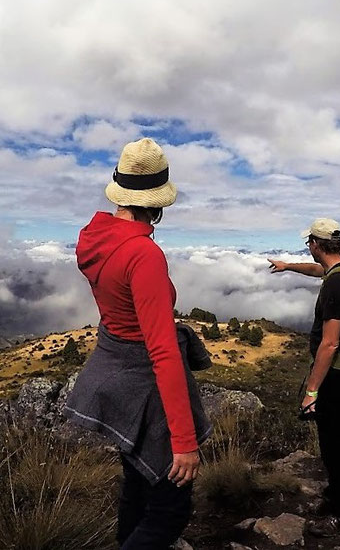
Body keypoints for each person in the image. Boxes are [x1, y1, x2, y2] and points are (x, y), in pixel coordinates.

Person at [64, 137, 212, 550]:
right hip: (146, 386)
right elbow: (163, 353)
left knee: (137, 485)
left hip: (114, 374)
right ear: (159, 200)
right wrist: (183, 443)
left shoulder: (95, 238)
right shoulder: (143, 255)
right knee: (170, 510)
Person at [268, 218, 340, 537]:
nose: (308, 248)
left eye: (309, 243)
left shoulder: (337, 285)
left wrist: (311, 390)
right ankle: (335, 497)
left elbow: (330, 342)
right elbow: (317, 270)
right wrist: (287, 266)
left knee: (335, 444)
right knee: (332, 440)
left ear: (317, 245)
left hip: (336, 376)